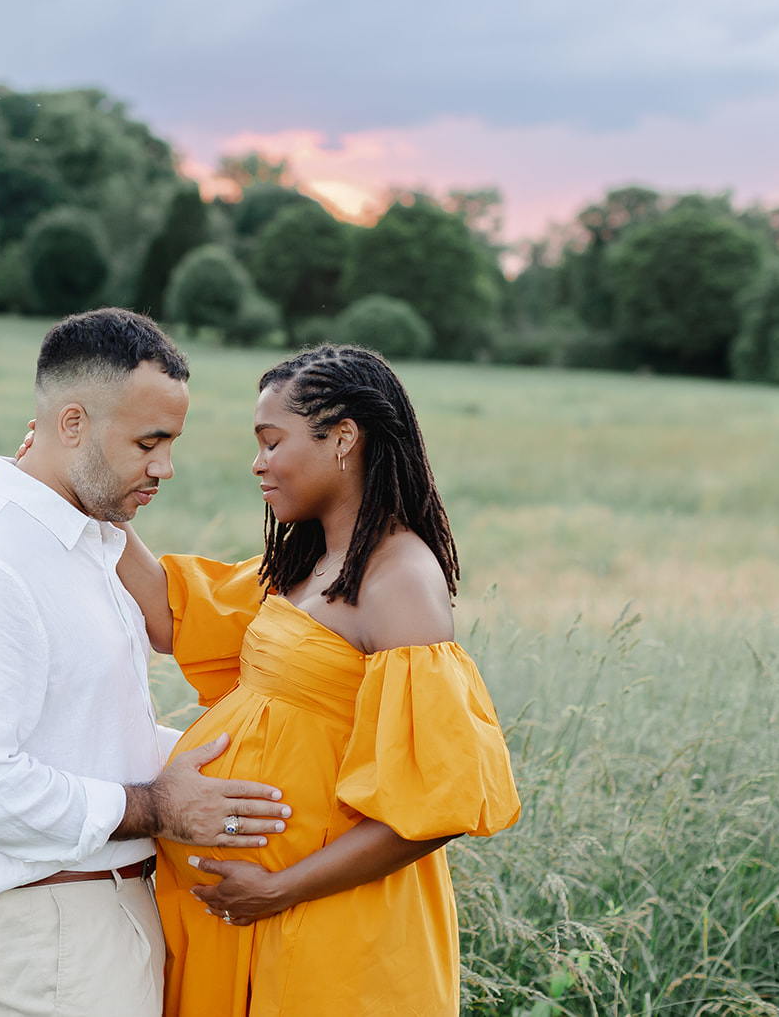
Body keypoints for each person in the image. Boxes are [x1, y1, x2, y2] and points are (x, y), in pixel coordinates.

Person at [113, 343, 521, 1016]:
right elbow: (168, 610)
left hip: (337, 927)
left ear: (343, 438)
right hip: (248, 918)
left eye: (273, 442)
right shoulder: (305, 563)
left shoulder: (400, 581)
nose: (258, 462)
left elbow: (433, 808)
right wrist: (83, 491)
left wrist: (280, 887)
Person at [0, 308, 291, 1017]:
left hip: (112, 907)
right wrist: (156, 807)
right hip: (51, 926)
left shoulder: (87, 541)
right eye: (150, 442)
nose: (165, 468)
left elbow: (92, 730)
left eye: (171, 442)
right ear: (73, 424)